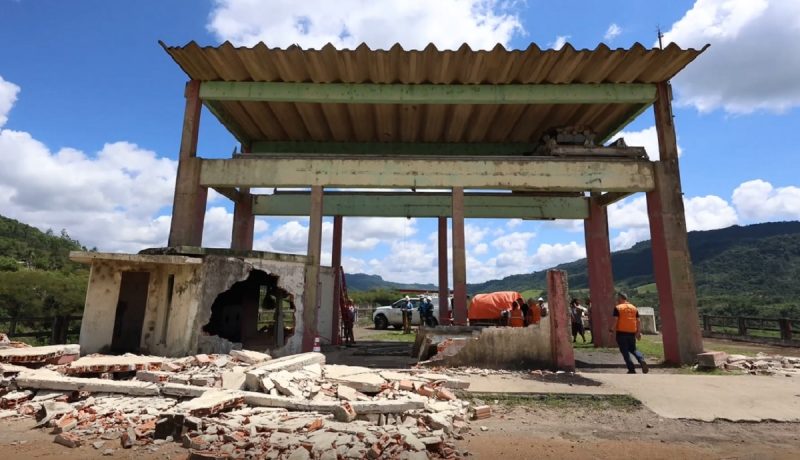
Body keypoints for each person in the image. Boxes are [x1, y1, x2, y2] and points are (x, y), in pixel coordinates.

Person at [609, 292, 649, 374]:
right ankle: (641, 360)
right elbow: (638, 320)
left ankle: (631, 369)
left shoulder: (618, 308)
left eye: (617, 298)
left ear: (620, 298)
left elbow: (615, 320)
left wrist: (611, 329)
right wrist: (638, 332)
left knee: (625, 351)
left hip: (621, 333)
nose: (617, 299)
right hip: (632, 332)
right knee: (633, 349)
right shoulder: (634, 308)